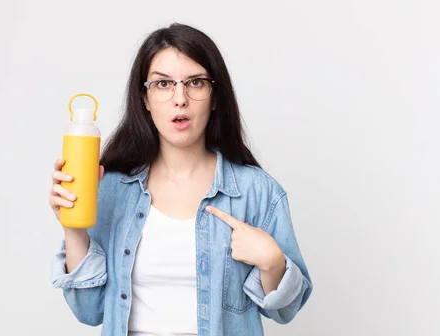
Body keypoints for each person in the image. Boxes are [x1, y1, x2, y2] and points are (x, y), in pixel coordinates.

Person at [49, 22, 313, 336]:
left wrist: (272, 262)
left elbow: (287, 310)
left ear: (215, 96)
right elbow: (89, 311)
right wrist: (73, 230)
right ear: (144, 99)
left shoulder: (255, 192)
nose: (180, 98)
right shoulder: (111, 189)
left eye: (196, 83)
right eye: (163, 84)